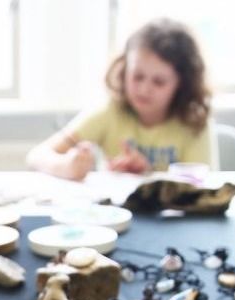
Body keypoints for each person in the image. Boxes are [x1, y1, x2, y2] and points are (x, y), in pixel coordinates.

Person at [28, 18, 214, 181]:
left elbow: (200, 188)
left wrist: (146, 175)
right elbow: (36, 156)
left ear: (182, 83)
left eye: (159, 82)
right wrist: (68, 166)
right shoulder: (110, 112)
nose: (144, 89)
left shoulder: (194, 122)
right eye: (137, 76)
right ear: (124, 70)